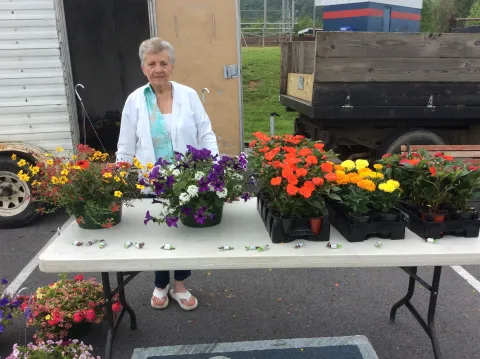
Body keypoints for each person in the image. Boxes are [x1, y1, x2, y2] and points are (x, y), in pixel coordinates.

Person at [116, 37, 219, 311]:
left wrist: (215, 167)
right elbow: (126, 144)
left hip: (188, 179)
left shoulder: (188, 95)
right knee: (158, 233)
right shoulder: (135, 101)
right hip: (152, 181)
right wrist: (118, 176)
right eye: (152, 63)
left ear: (171, 65)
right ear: (143, 68)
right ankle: (160, 284)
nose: (158, 68)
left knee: (184, 231)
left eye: (163, 62)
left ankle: (181, 285)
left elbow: (205, 132)